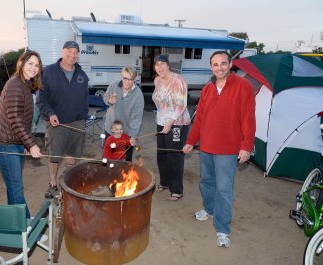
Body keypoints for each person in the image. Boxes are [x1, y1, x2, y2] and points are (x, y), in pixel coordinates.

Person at [183, 51, 256, 248]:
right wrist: (191, 140)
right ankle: (208, 209)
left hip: (228, 149)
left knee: (224, 189)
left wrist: (246, 146)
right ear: (211, 67)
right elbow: (199, 119)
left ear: (231, 64)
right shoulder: (207, 89)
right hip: (206, 146)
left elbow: (249, 118)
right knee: (206, 181)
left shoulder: (243, 86)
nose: (219, 68)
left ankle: (223, 228)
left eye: (223, 63)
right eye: (215, 65)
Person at [0, 50, 43, 218]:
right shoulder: (15, 84)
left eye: (36, 65)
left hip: (15, 142)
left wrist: (24, 143)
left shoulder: (25, 85)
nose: (34, 68)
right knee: (16, 187)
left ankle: (13, 221)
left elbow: (24, 119)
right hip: (5, 144)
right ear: (21, 64)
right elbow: (15, 118)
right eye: (30, 64)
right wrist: (31, 143)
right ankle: (26, 226)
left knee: (13, 186)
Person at [36, 41, 89, 198]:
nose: (73, 55)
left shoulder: (82, 75)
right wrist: (50, 114)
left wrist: (84, 115)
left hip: (77, 123)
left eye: (76, 53)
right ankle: (52, 185)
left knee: (73, 154)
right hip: (56, 123)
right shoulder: (48, 72)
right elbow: (41, 99)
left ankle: (68, 184)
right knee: (54, 155)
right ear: (62, 52)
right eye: (69, 52)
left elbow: (85, 98)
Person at [152, 54, 191, 201]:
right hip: (161, 121)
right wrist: (162, 119)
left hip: (177, 123)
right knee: (161, 154)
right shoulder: (157, 80)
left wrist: (170, 122)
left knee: (174, 156)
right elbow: (159, 101)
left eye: (162, 63)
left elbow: (181, 104)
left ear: (168, 65)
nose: (159, 67)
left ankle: (177, 190)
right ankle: (165, 182)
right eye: (157, 64)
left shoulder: (178, 80)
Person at [103, 66, 144, 162]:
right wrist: (109, 100)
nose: (127, 82)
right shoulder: (114, 85)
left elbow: (137, 118)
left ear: (134, 80)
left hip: (126, 132)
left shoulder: (138, 94)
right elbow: (105, 97)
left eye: (131, 79)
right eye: (125, 78)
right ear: (122, 77)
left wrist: (133, 136)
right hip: (111, 129)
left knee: (125, 160)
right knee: (109, 155)